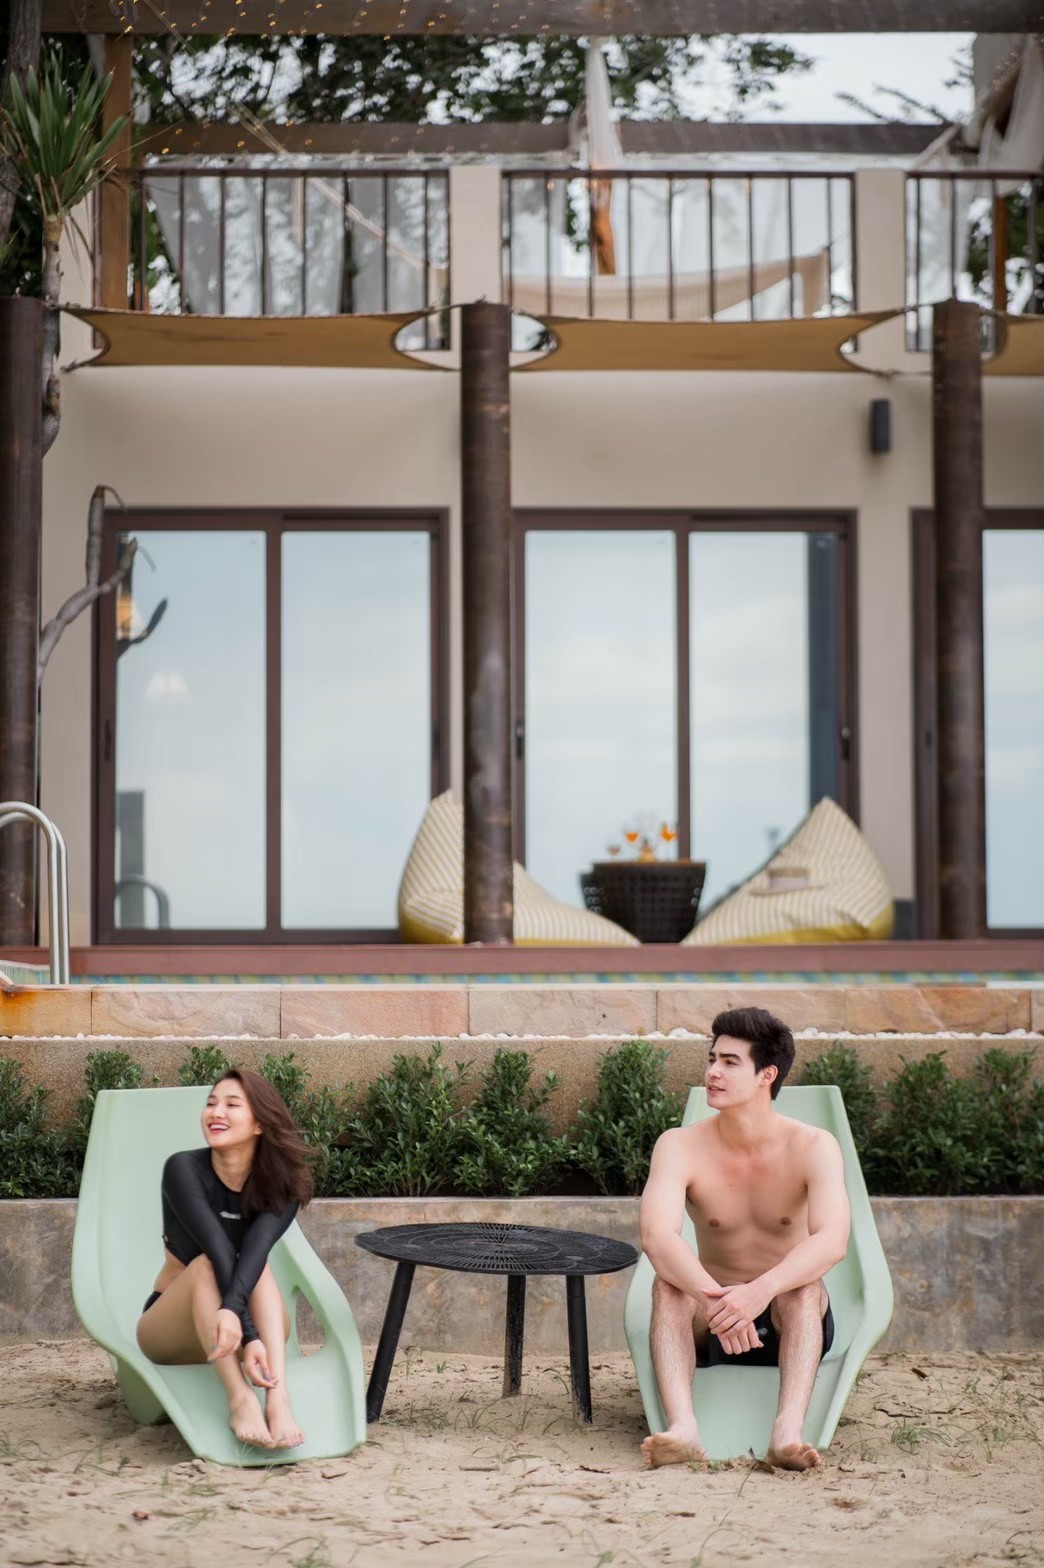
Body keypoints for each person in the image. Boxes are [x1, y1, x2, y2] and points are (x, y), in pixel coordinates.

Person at [638, 1006, 850, 1471]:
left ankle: (786, 1433)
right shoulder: (678, 1145)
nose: (713, 1072)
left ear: (766, 1075)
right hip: (711, 1320)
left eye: (730, 1062)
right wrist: (716, 1303)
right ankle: (683, 1429)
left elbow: (832, 1241)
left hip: (784, 1318)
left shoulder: (814, 1146)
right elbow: (656, 1236)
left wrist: (758, 1292)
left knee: (805, 1289)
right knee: (668, 1286)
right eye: (712, 1059)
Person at [136, 1068, 313, 1450]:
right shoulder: (183, 1169)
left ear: (260, 1124)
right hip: (173, 1329)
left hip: (247, 1327)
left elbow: (254, 1252)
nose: (216, 1112)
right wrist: (248, 1332)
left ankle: (278, 1396)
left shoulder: (281, 1187)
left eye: (232, 1105)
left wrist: (247, 1331)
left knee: (257, 1261)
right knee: (205, 1265)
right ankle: (240, 1398)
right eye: (211, 1103)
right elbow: (217, 1249)